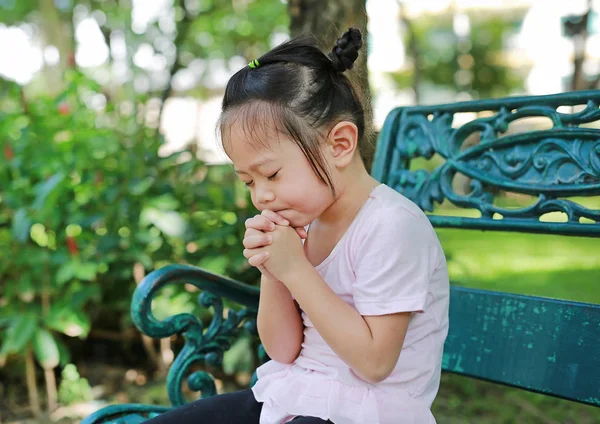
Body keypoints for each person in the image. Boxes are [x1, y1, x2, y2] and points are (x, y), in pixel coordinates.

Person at [146, 27, 449, 424]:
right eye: (249, 182)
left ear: (339, 145)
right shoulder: (303, 223)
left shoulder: (392, 226)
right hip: (294, 401)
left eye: (271, 174)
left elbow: (375, 363)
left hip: (367, 413)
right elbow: (283, 351)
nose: (261, 196)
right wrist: (275, 272)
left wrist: (295, 269)